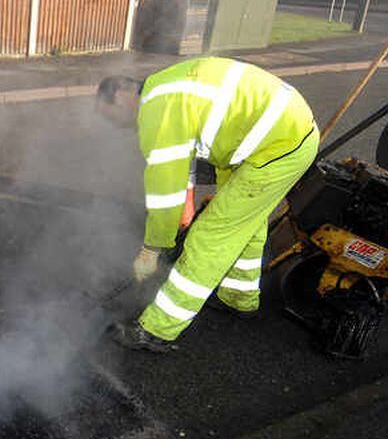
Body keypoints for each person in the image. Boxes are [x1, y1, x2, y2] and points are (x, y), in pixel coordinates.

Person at [95, 57, 318, 353]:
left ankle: (156, 330)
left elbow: (165, 194)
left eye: (110, 117)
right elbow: (182, 159)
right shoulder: (165, 87)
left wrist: (153, 248)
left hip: (276, 147)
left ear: (121, 95)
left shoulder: (155, 111)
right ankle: (240, 298)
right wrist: (184, 210)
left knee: (209, 238)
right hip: (264, 137)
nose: (117, 127)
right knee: (245, 224)